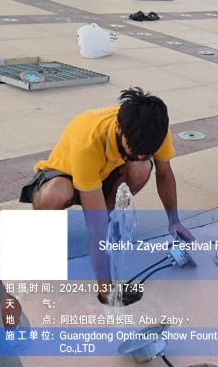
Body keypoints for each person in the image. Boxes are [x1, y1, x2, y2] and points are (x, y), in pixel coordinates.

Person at [18, 88, 194, 304]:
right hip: (67, 175)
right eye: (136, 148)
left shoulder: (156, 130)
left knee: (141, 167)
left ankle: (112, 219)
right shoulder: (88, 140)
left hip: (105, 175)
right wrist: (106, 291)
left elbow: (164, 173)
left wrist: (174, 220)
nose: (141, 154)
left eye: (147, 151)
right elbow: (96, 228)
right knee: (58, 193)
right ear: (119, 128)